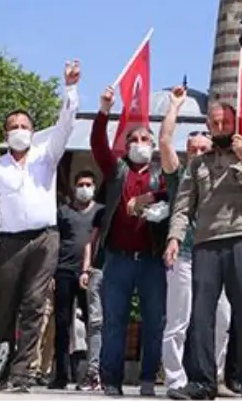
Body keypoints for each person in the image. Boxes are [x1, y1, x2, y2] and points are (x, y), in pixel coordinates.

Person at [0, 60, 82, 393]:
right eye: (13, 125)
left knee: (34, 306)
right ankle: (0, 372)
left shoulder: (45, 156)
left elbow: (65, 125)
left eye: (24, 124)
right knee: (4, 307)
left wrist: (71, 88)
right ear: (6, 134)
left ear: (32, 131)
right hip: (9, 242)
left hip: (44, 239)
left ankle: (22, 375)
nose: (19, 129)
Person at [166, 102, 242, 401]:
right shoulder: (198, 164)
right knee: (200, 314)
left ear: (234, 122)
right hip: (206, 243)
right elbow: (183, 206)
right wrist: (174, 238)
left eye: (225, 122)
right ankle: (202, 382)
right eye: (214, 123)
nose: (220, 128)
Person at [89, 85, 170, 396]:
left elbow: (175, 196)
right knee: (113, 323)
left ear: (152, 144)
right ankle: (111, 381)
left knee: (154, 323)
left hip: (151, 260)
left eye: (145, 139)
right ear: (125, 146)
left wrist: (159, 205)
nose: (139, 144)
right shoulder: (117, 170)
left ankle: (148, 379)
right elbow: (97, 145)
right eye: (133, 140)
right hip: (118, 259)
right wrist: (104, 110)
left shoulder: (161, 175)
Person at [157, 90, 232, 395]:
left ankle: (213, 377)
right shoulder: (180, 176)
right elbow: (163, 142)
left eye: (204, 147)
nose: (199, 152)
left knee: (222, 318)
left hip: (216, 254)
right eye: (193, 148)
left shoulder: (220, 173)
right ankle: (175, 379)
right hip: (185, 254)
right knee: (178, 321)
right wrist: (174, 107)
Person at [49, 170, 102, 389]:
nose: (84, 188)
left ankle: (93, 373)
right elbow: (54, 241)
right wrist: (50, 272)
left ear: (94, 187)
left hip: (91, 272)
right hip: (63, 270)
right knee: (62, 324)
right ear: (74, 187)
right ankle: (61, 375)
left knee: (94, 322)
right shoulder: (63, 212)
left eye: (88, 184)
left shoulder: (101, 212)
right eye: (80, 184)